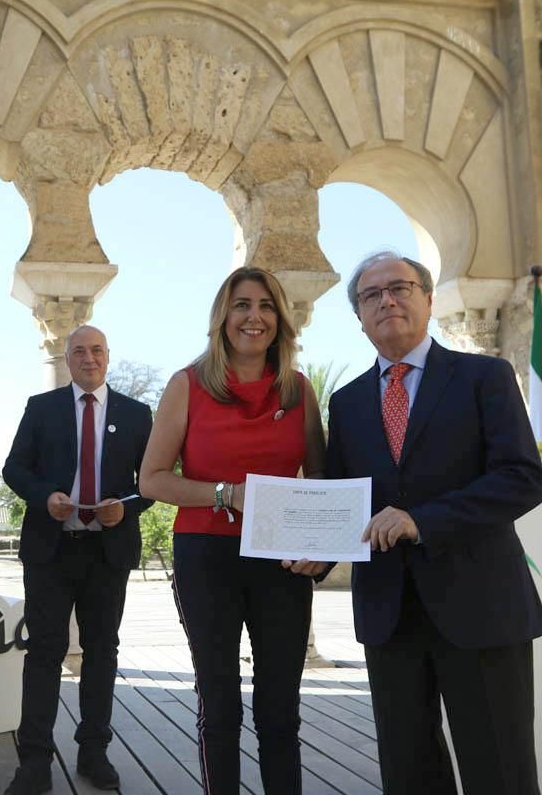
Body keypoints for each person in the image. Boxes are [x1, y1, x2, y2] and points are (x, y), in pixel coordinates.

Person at [325, 251, 542, 794]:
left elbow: (522, 478)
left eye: (400, 287)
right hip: (389, 616)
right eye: (371, 295)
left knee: (500, 768)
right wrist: (317, 549)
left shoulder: (484, 377)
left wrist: (420, 521)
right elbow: (341, 500)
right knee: (409, 772)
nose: (387, 300)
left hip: (481, 607)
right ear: (358, 316)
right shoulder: (347, 402)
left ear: (427, 298)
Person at [139, 267, 326, 795]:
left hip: (282, 562)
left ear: (280, 320)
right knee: (219, 703)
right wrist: (226, 494)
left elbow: (320, 479)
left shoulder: (299, 391)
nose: (255, 316)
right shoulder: (188, 384)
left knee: (279, 709)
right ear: (223, 317)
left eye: (267, 306)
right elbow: (151, 480)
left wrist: (319, 546)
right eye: (242, 305)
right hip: (206, 557)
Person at [1, 325, 154, 795]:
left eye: (97, 350)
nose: (89, 358)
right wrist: (45, 496)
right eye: (80, 351)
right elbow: (14, 469)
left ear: (108, 357)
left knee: (102, 653)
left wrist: (124, 507)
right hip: (51, 551)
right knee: (44, 654)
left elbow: (150, 480)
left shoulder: (135, 413)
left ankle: (93, 752)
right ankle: (34, 762)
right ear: (67, 359)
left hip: (107, 554)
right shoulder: (41, 408)